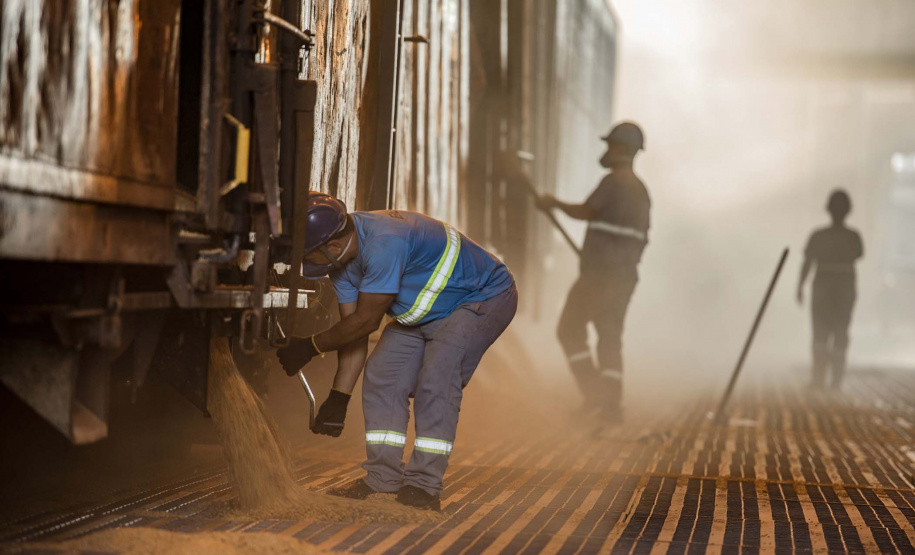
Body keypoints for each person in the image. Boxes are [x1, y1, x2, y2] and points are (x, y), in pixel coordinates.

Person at [275, 192, 517, 511]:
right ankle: (382, 479)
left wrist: (310, 346)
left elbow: (365, 322)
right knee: (382, 376)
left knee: (437, 379)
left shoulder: (384, 242)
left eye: (309, 255)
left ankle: (424, 487)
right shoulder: (342, 264)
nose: (308, 263)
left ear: (332, 246)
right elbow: (354, 332)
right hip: (428, 312)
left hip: (480, 298)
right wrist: (338, 397)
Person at [529, 121, 650, 422]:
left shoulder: (614, 182)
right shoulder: (640, 191)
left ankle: (595, 395)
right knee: (609, 336)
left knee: (569, 329)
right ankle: (611, 407)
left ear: (621, 149)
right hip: (623, 277)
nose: (606, 151)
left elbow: (585, 212)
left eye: (610, 145)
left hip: (599, 276)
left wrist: (553, 203)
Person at [797, 189, 863, 390]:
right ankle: (835, 380)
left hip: (823, 290)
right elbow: (858, 256)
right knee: (839, 332)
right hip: (844, 289)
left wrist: (799, 286)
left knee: (821, 334)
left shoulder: (818, 236)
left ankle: (819, 379)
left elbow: (807, 263)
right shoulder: (853, 237)